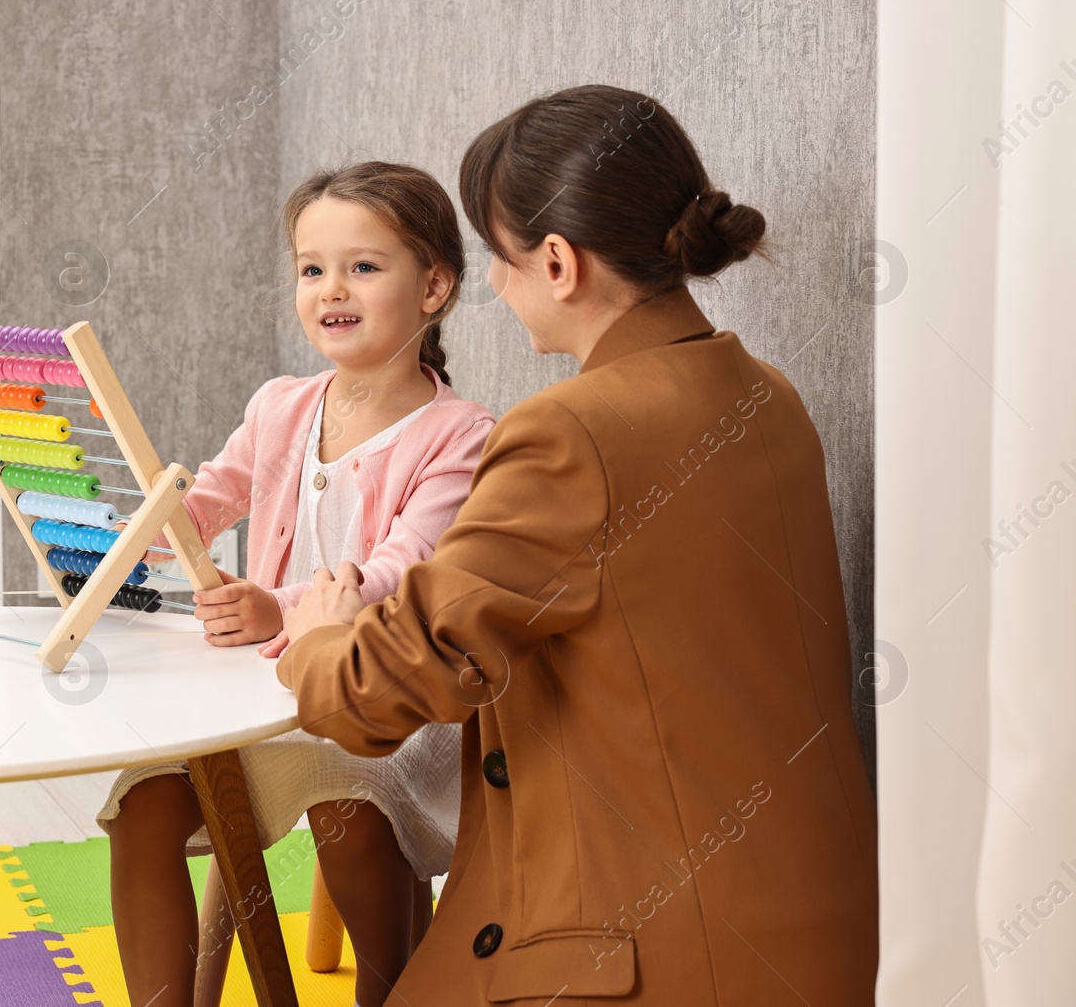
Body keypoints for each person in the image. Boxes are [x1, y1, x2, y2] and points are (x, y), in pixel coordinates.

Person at [281, 86, 880, 1005]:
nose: (491, 282)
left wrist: (323, 636)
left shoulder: (570, 432)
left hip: (653, 944)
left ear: (558, 262)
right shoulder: (765, 392)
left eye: (498, 256)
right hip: (824, 921)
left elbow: (387, 687)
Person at [100, 161, 495, 1007]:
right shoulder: (281, 405)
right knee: (143, 807)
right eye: (311, 269)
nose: (330, 289)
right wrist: (141, 535)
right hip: (253, 694)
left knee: (351, 812)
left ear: (434, 285)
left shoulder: (459, 436)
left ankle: (394, 992)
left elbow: (398, 573)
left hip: (381, 704)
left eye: (362, 266)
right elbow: (206, 496)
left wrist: (275, 606)